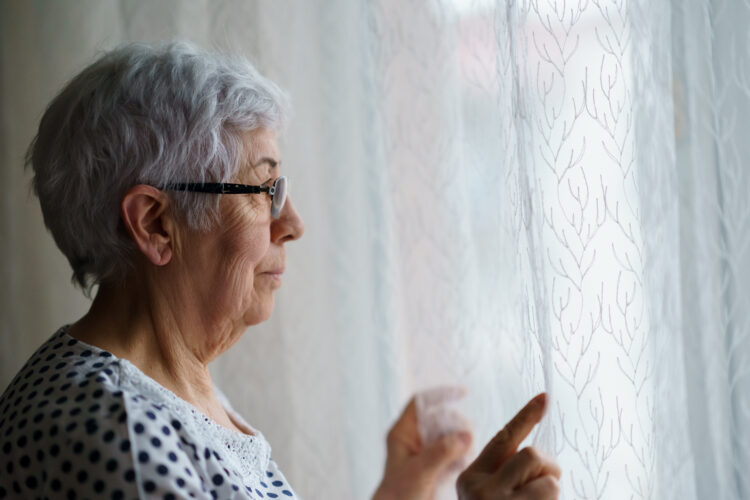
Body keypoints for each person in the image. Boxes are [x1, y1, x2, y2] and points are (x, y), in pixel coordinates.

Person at [0, 42, 560, 499]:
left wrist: (400, 493)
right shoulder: (116, 428)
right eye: (263, 190)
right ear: (154, 224)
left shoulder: (161, 393)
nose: (291, 221)